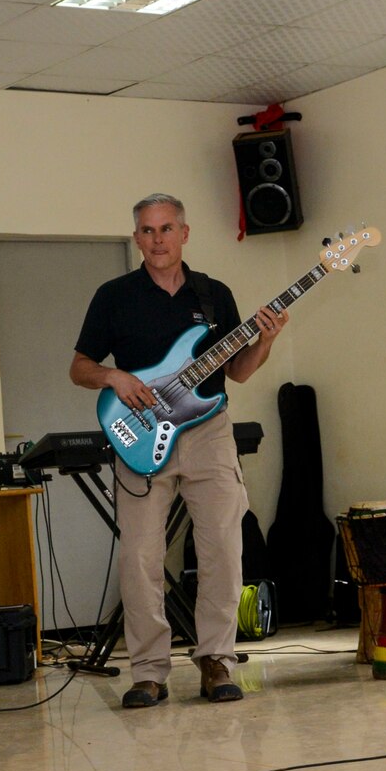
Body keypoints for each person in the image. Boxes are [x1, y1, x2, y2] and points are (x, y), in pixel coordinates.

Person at [71, 193, 285, 707]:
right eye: (147, 231)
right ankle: (148, 671)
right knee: (140, 557)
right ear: (136, 238)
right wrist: (113, 377)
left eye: (166, 229)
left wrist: (266, 341)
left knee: (223, 550)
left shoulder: (214, 296)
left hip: (209, 434)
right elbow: (79, 366)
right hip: (139, 436)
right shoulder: (114, 295)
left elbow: (237, 371)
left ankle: (217, 659)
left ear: (185, 234)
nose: (157, 239)